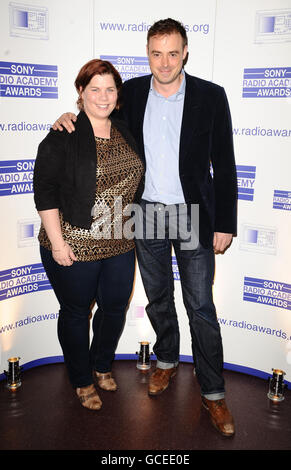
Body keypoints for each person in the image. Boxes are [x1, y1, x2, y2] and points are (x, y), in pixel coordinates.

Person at [52, 18, 237, 436]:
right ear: (148, 53)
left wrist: (224, 223)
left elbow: (224, 166)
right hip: (147, 212)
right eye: (157, 53)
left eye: (173, 53)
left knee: (200, 307)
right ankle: (167, 360)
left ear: (185, 52)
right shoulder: (130, 92)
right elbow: (95, 113)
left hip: (191, 214)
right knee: (157, 297)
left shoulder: (211, 96)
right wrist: (68, 117)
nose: (165, 61)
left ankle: (213, 393)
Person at [33, 59, 144, 410]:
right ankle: (81, 379)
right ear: (81, 92)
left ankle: (100, 364)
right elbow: (45, 193)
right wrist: (59, 245)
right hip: (74, 242)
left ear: (118, 94)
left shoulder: (125, 130)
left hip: (121, 240)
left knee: (113, 308)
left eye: (110, 89)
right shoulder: (62, 135)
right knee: (76, 312)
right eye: (94, 88)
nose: (103, 95)